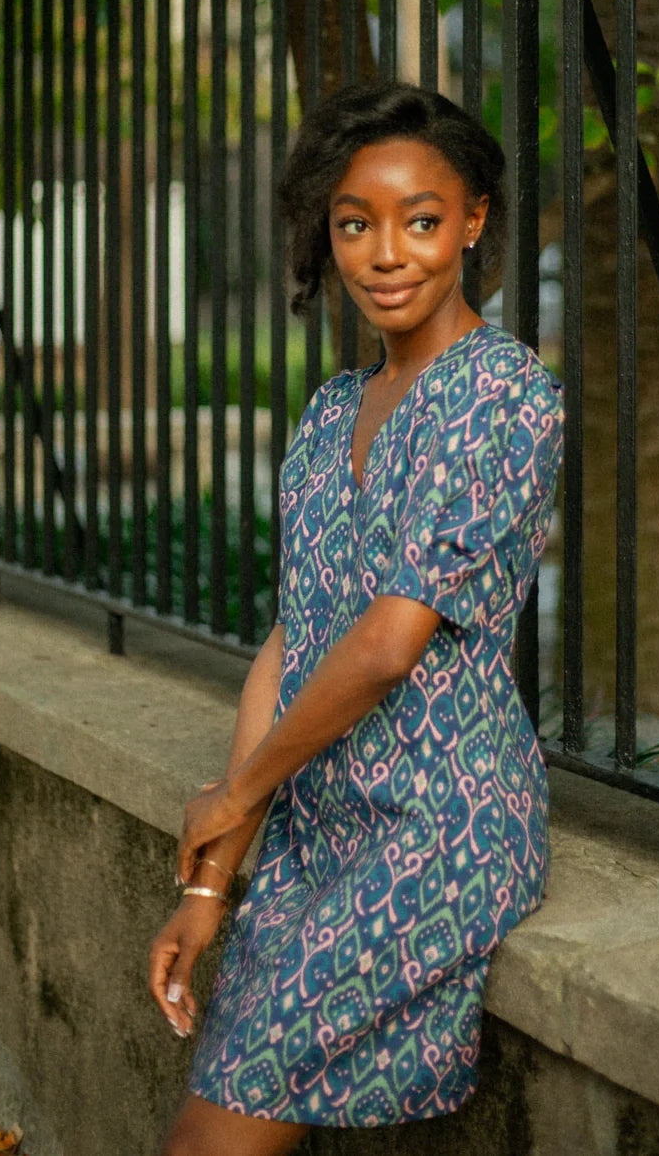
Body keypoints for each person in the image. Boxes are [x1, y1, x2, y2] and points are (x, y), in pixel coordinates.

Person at [148, 82, 564, 1155]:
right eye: (353, 222)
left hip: (439, 828)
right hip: (313, 824)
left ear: (473, 221)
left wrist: (233, 789)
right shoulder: (331, 411)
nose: (386, 253)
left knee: (211, 1138)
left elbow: (382, 646)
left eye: (421, 220)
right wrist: (210, 878)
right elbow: (292, 643)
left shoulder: (504, 396)